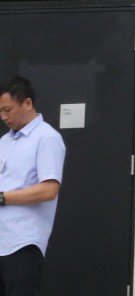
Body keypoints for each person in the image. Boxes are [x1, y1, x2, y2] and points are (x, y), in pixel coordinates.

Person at [0, 76, 66, 296]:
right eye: (0, 111)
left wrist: (3, 197)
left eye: (8, 110)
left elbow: (49, 190)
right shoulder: (5, 141)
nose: (4, 117)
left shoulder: (46, 138)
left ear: (27, 103)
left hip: (22, 243)